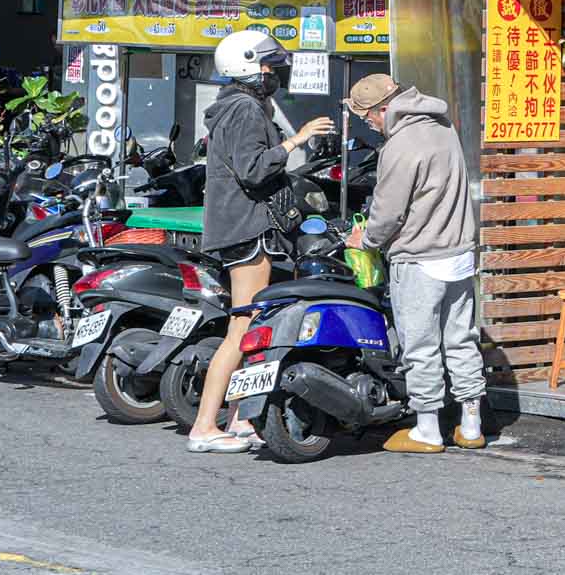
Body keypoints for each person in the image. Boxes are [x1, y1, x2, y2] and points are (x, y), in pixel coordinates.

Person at [187, 30, 334, 454]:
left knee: (253, 327)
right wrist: (295, 140)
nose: (274, 73)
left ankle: (239, 420)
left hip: (241, 226)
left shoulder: (236, 106)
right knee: (243, 326)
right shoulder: (245, 109)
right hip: (248, 229)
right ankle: (204, 426)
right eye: (269, 66)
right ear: (249, 68)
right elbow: (253, 169)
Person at [342, 72, 484, 454]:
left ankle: (427, 429)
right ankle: (472, 425)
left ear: (383, 109)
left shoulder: (400, 145)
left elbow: (387, 212)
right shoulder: (443, 126)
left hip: (421, 257)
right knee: (461, 339)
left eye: (366, 117)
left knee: (421, 346)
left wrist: (365, 240)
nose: (369, 125)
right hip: (459, 253)